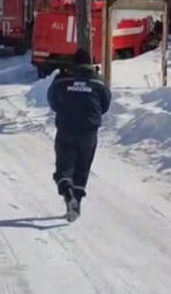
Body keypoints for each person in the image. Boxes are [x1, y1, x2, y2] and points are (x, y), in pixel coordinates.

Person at [46, 48, 111, 221]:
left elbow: (52, 101)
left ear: (73, 63)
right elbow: (105, 105)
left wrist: (64, 109)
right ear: (90, 63)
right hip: (89, 133)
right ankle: (76, 204)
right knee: (82, 168)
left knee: (64, 167)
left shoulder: (62, 80)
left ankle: (67, 192)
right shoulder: (99, 82)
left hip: (66, 129)